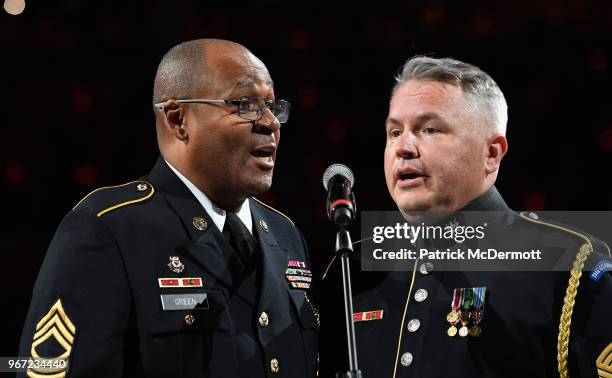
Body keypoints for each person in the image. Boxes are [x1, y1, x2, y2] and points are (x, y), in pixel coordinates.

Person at [18, 39, 318, 378]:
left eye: (272, 106)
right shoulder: (108, 229)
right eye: (245, 104)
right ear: (178, 120)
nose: (270, 123)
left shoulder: (286, 235)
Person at [318, 56, 612, 377]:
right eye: (394, 132)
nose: (403, 147)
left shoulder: (566, 264)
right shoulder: (353, 269)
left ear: (492, 153)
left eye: (430, 129)